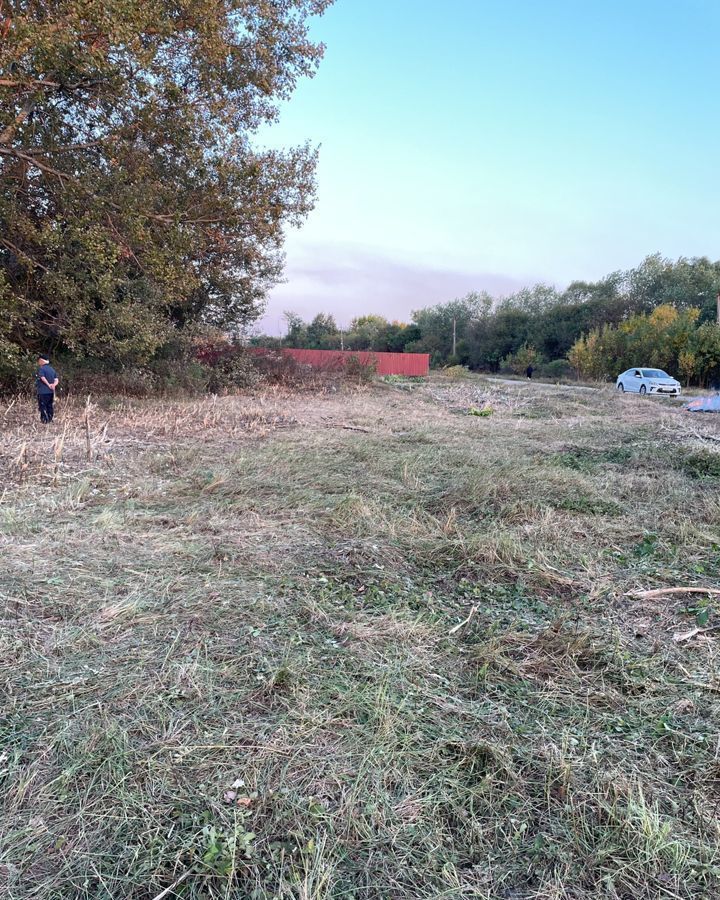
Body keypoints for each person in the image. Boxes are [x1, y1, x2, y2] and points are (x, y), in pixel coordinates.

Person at [36, 355, 59, 423]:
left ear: (42, 361)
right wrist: (53, 385)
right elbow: (56, 379)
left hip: (43, 391)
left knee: (43, 405)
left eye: (39, 360)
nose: (38, 362)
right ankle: (50, 419)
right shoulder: (52, 369)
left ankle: (45, 420)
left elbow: (42, 378)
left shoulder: (42, 369)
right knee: (49, 405)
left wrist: (48, 385)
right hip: (51, 392)